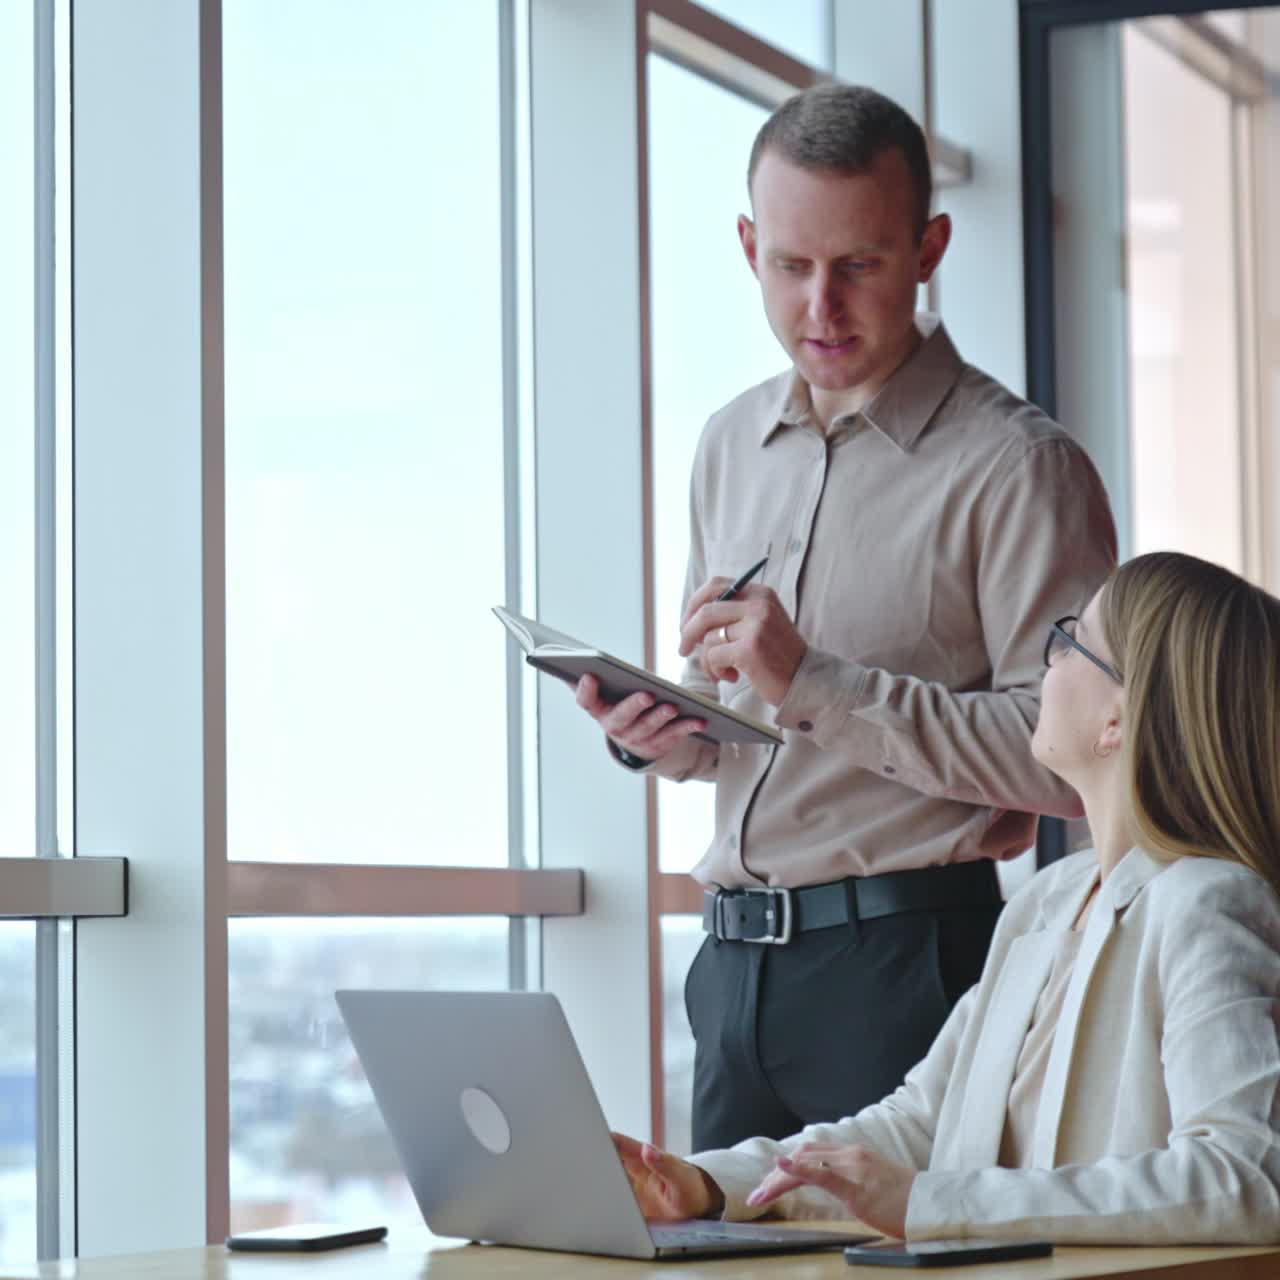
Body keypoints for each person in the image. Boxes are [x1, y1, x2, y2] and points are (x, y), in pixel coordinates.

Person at [576, 82, 1117, 1149]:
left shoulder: (1016, 467)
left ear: (927, 248)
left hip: (908, 971)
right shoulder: (725, 444)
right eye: (788, 265)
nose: (817, 307)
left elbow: (1073, 765)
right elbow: (747, 714)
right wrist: (666, 736)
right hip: (729, 974)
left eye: (858, 265)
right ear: (745, 246)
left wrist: (811, 681)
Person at [611, 551, 1280, 1245]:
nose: (1048, 664)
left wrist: (929, 1204)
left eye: (1072, 640)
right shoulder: (1046, 903)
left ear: (1117, 721)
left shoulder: (1209, 903)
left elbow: (1246, 1176)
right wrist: (707, 1183)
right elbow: (919, 1123)